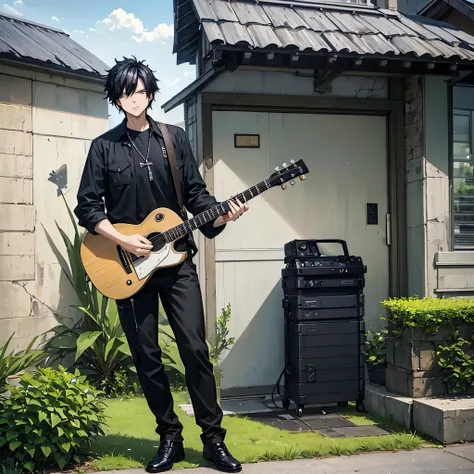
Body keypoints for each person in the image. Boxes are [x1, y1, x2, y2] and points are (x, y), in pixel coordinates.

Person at [74, 57, 248, 473]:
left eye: (139, 90)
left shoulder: (174, 139)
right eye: (124, 92)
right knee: (147, 356)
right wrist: (121, 239)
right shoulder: (104, 147)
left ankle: (212, 441)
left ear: (150, 93)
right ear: (116, 99)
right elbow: (87, 206)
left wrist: (220, 214)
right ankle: (169, 438)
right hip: (128, 268)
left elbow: (196, 195)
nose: (133, 98)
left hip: (177, 262)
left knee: (195, 349)